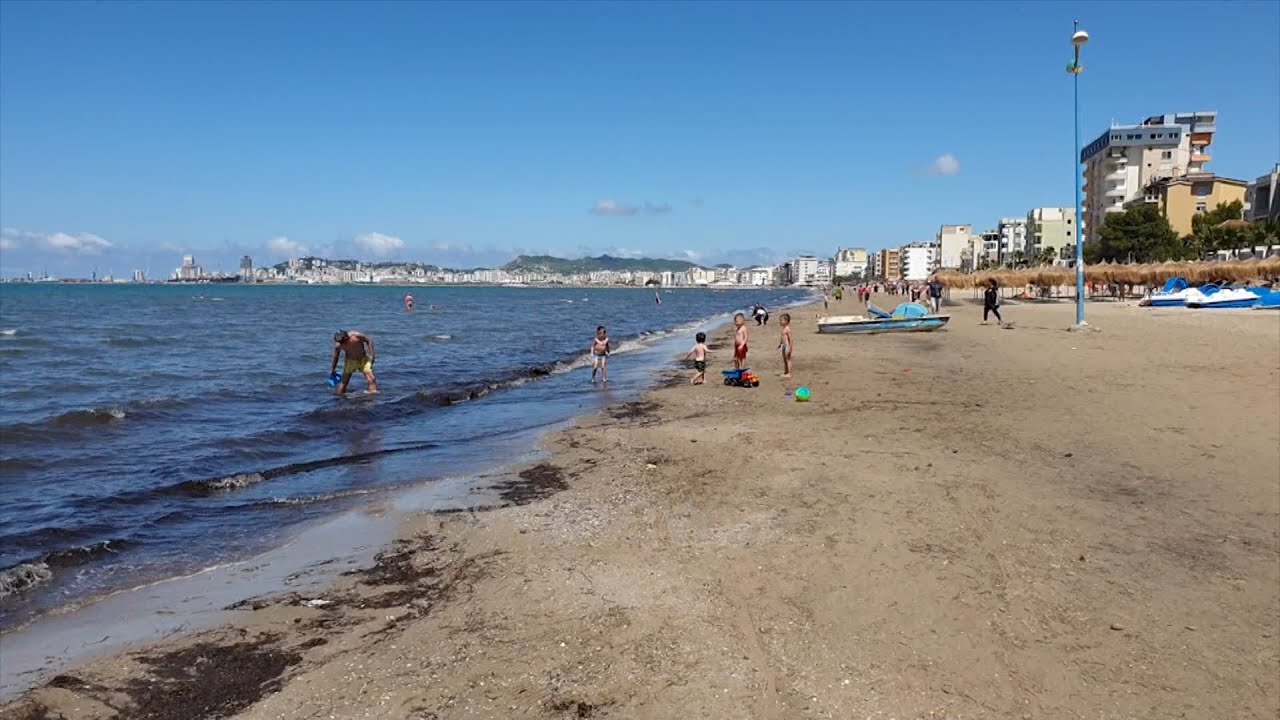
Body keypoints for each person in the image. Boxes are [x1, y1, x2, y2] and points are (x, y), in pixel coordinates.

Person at [330, 330, 378, 395]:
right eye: (340, 342)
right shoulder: (338, 345)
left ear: (346, 337)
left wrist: (372, 355)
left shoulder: (356, 336)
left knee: (371, 379)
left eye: (343, 341)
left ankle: (373, 398)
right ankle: (339, 399)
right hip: (350, 361)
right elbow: (336, 356)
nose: (342, 343)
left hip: (363, 360)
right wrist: (333, 369)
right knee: (344, 382)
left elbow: (368, 340)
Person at [778, 313, 794, 378]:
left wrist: (790, 348)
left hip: (787, 345)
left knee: (788, 359)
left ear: (786, 321)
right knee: (784, 359)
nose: (780, 322)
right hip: (784, 345)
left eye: (781, 320)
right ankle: (786, 372)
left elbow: (791, 339)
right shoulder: (783, 328)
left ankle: (789, 373)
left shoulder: (787, 329)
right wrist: (780, 344)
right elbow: (782, 337)